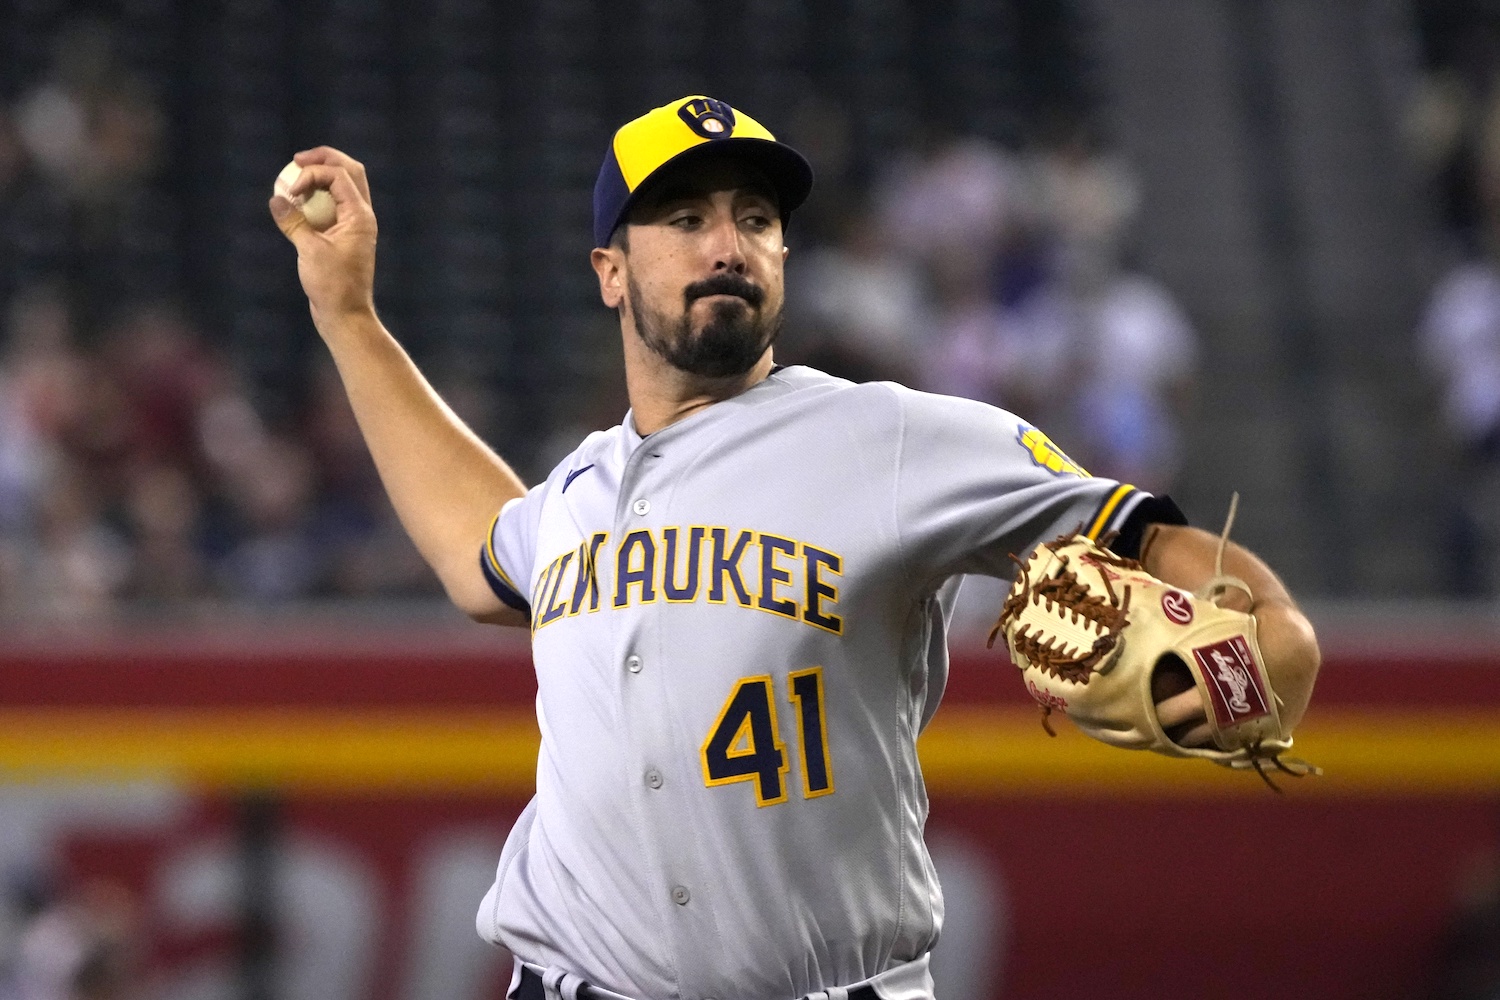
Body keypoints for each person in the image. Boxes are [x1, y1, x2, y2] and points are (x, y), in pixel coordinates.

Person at [269, 95, 1320, 1000]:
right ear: (610, 272)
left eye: (756, 218)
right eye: (683, 218)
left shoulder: (889, 437)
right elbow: (475, 555)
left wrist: (1261, 653)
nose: (727, 243)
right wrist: (348, 313)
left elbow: (1157, 539)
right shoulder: (579, 487)